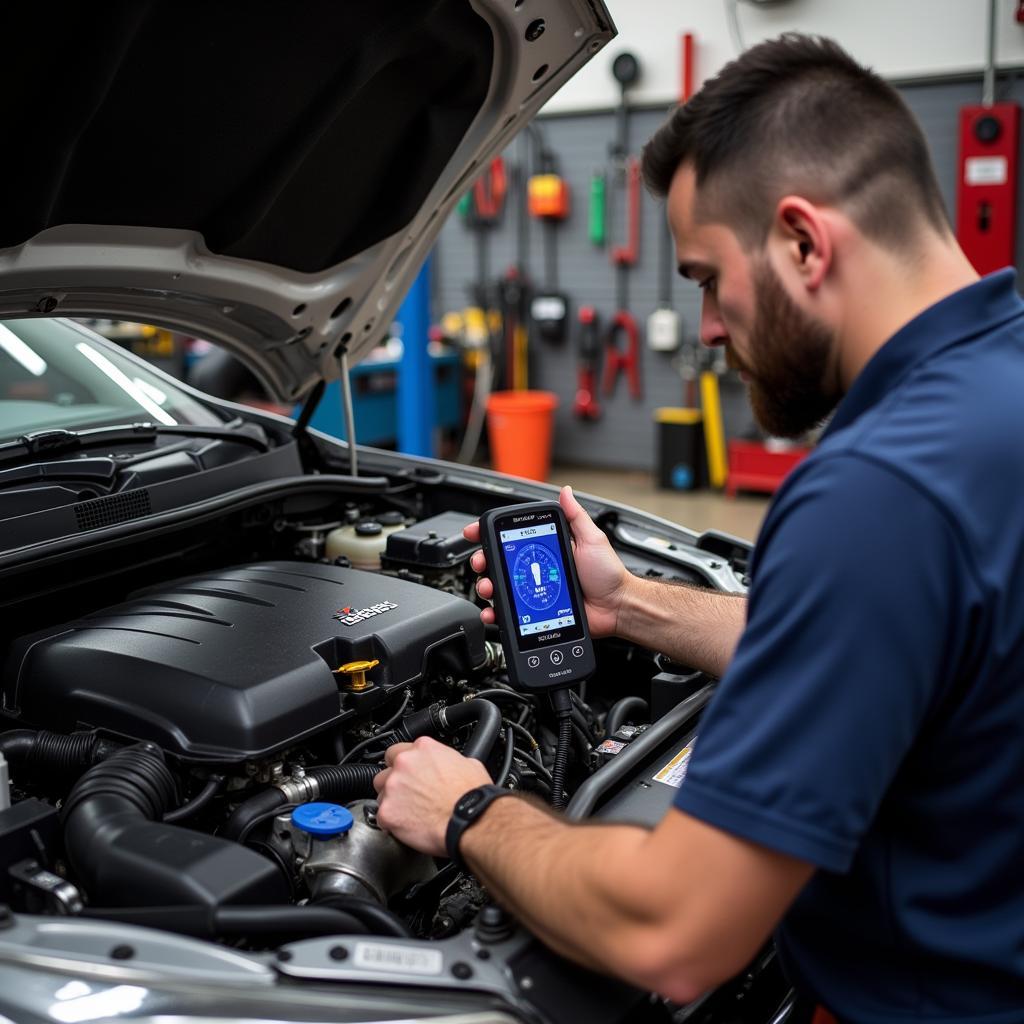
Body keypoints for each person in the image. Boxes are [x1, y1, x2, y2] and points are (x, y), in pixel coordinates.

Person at [374, 33, 1024, 1020]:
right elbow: (892, 641)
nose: (709, 327)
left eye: (707, 279)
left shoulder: (878, 488)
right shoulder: (995, 382)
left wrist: (465, 810)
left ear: (804, 242)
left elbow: (672, 933)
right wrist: (628, 603)